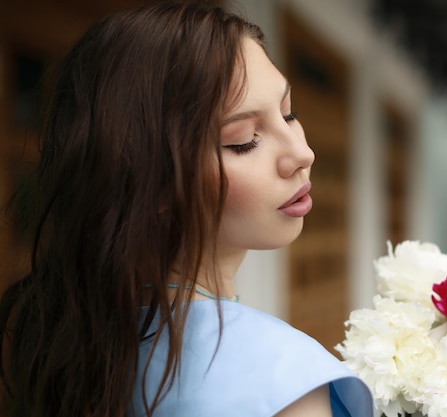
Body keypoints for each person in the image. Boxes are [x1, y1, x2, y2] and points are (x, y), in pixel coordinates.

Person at [0, 2, 374, 416]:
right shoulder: (278, 377)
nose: (302, 153)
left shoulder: (79, 345)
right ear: (150, 178)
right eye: (244, 140)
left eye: (289, 115)